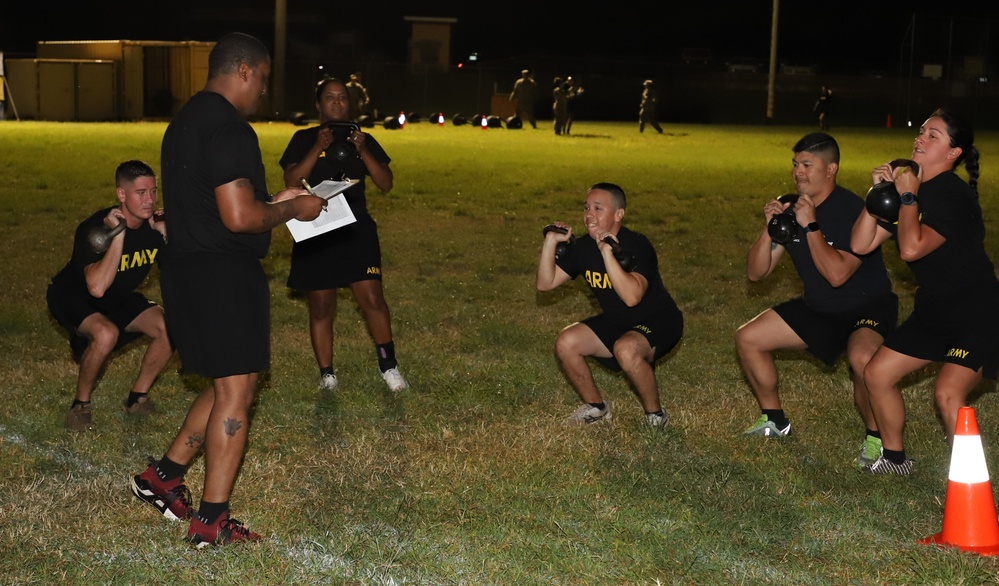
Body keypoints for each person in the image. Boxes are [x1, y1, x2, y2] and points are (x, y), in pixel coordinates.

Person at [128, 32, 325, 546]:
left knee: (224, 383)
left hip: (185, 269)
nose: (262, 90)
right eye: (262, 79)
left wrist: (270, 198)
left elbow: (212, 200)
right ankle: (211, 523)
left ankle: (163, 478)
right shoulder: (232, 129)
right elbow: (240, 218)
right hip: (223, 274)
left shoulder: (186, 120)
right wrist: (292, 209)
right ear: (244, 71)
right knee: (237, 391)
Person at [851, 109, 999, 475]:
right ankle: (895, 460)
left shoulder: (953, 196)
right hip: (935, 309)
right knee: (877, 374)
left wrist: (906, 198)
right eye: (921, 132)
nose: (920, 139)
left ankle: (972, 488)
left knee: (948, 394)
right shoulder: (914, 192)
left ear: (954, 153)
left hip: (976, 312)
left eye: (933, 136)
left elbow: (911, 248)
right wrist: (878, 195)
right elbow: (861, 243)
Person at [736, 132, 897, 469]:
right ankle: (775, 421)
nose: (798, 172)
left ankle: (875, 439)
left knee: (863, 359)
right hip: (821, 307)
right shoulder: (795, 208)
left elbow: (837, 275)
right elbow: (756, 273)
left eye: (808, 165)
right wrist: (769, 229)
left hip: (865, 306)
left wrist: (811, 228)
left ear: (831, 169)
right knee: (748, 338)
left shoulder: (854, 209)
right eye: (796, 164)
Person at [279, 77, 409, 393]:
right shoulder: (303, 137)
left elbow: (386, 182)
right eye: (329, 98)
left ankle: (388, 366)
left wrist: (363, 150)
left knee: (372, 298)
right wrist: (318, 147)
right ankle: (327, 374)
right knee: (322, 306)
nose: (337, 103)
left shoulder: (362, 139)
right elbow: (292, 178)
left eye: (342, 98)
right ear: (318, 104)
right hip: (317, 229)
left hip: (355, 229)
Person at [537, 182, 683, 427]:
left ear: (618, 214)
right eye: (586, 208)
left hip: (660, 321)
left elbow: (631, 297)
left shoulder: (637, 244)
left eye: (597, 208)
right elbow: (545, 283)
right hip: (620, 322)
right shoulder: (584, 247)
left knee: (626, 349)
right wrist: (551, 242)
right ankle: (597, 408)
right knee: (567, 342)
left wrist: (607, 253)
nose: (588, 215)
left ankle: (655, 416)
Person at [47, 160, 171, 431]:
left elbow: (177, 275)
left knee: (168, 328)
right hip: (72, 294)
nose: (149, 200)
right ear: (121, 194)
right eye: (141, 193)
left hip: (117, 295)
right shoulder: (96, 228)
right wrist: (118, 234)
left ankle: (137, 398)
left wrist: (166, 237)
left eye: (153, 191)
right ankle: (80, 406)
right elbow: (96, 288)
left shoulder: (155, 227)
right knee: (106, 334)